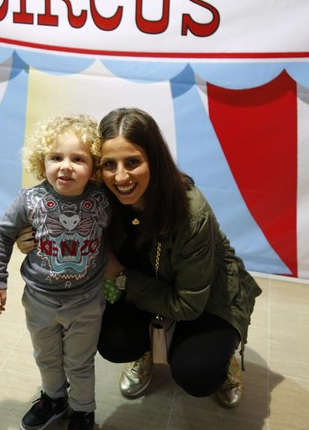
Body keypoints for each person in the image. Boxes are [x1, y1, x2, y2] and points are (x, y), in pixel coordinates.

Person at [17, 107, 262, 412]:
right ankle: (147, 346)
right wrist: (31, 236)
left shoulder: (191, 212)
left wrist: (121, 277)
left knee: (198, 373)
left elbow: (189, 303)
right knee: (112, 341)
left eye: (132, 162)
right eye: (109, 164)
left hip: (205, 295)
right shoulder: (98, 197)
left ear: (154, 160)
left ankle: (224, 360)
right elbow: (49, 206)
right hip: (145, 284)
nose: (120, 177)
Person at [0, 114, 111, 430]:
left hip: (86, 302)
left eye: (78, 159)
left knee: (80, 363)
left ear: (94, 167)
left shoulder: (103, 201)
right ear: (42, 163)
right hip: (39, 300)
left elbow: (130, 229)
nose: (65, 165)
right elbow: (2, 233)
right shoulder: (30, 200)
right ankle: (54, 398)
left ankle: (83, 411)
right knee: (46, 357)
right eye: (56, 157)